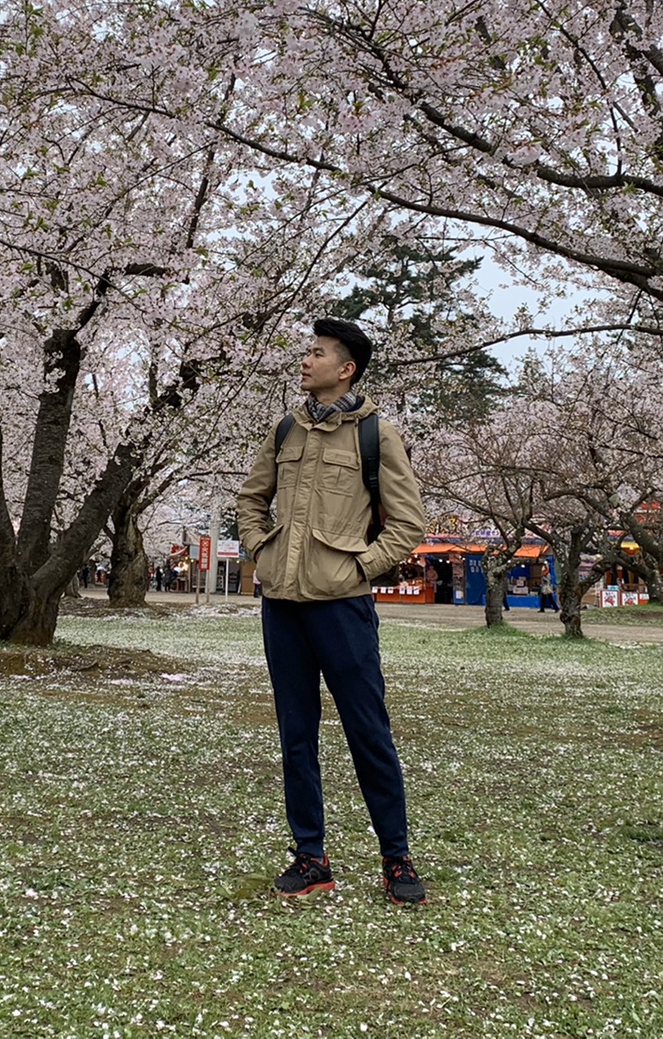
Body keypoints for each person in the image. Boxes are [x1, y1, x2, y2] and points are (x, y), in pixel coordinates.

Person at [236, 317, 429, 906]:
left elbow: (408, 523)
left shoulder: (377, 435)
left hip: (342, 607)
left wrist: (360, 569)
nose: (305, 361)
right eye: (306, 353)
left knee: (367, 731)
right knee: (297, 733)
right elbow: (251, 498)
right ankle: (310, 857)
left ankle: (395, 859)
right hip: (283, 607)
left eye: (316, 354)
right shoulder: (284, 431)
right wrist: (259, 548)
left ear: (345, 368)